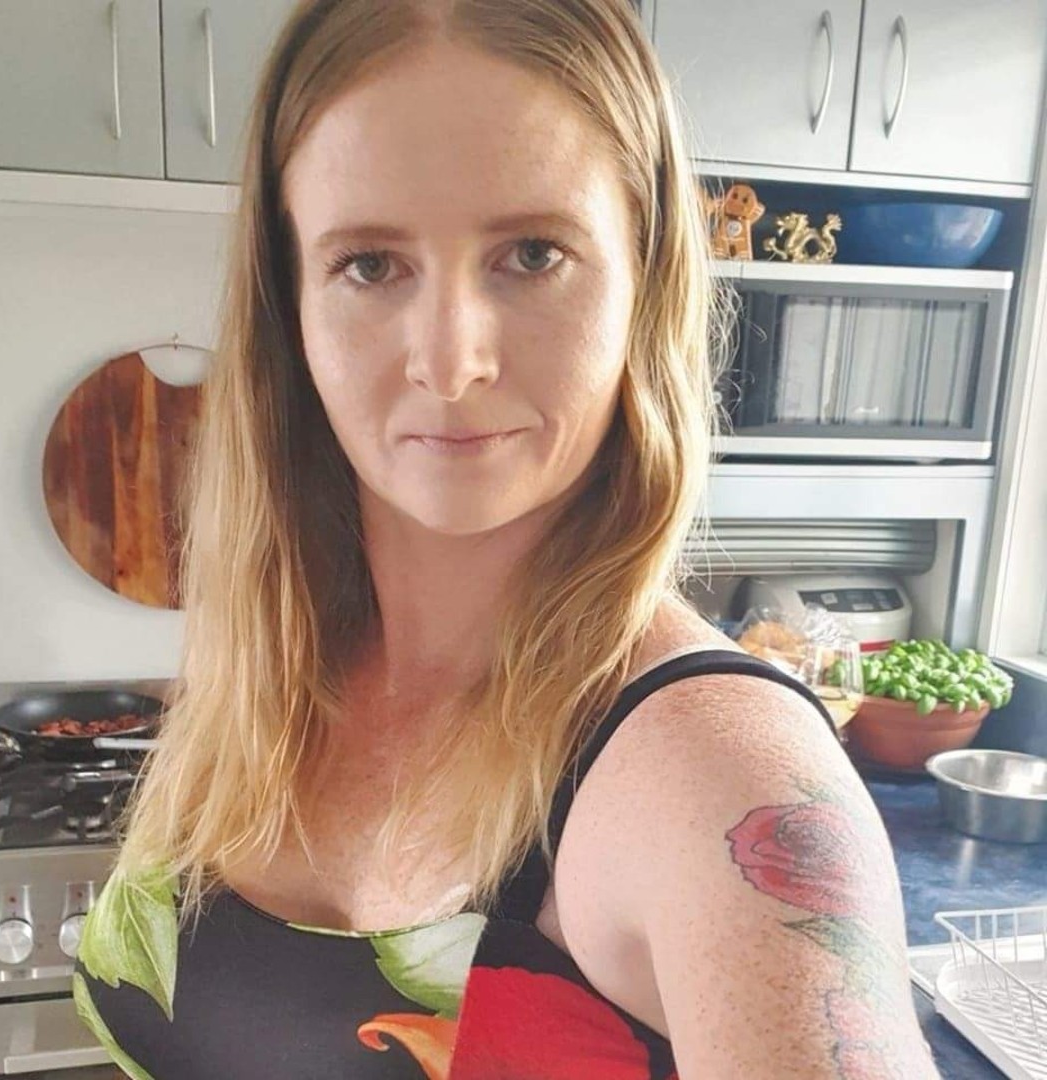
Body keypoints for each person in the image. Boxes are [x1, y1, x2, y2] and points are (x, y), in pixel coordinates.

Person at [74, 1, 940, 1076]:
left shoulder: (713, 777)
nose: (450, 362)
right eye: (370, 265)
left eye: (532, 254)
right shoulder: (274, 656)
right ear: (289, 304)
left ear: (644, 281)